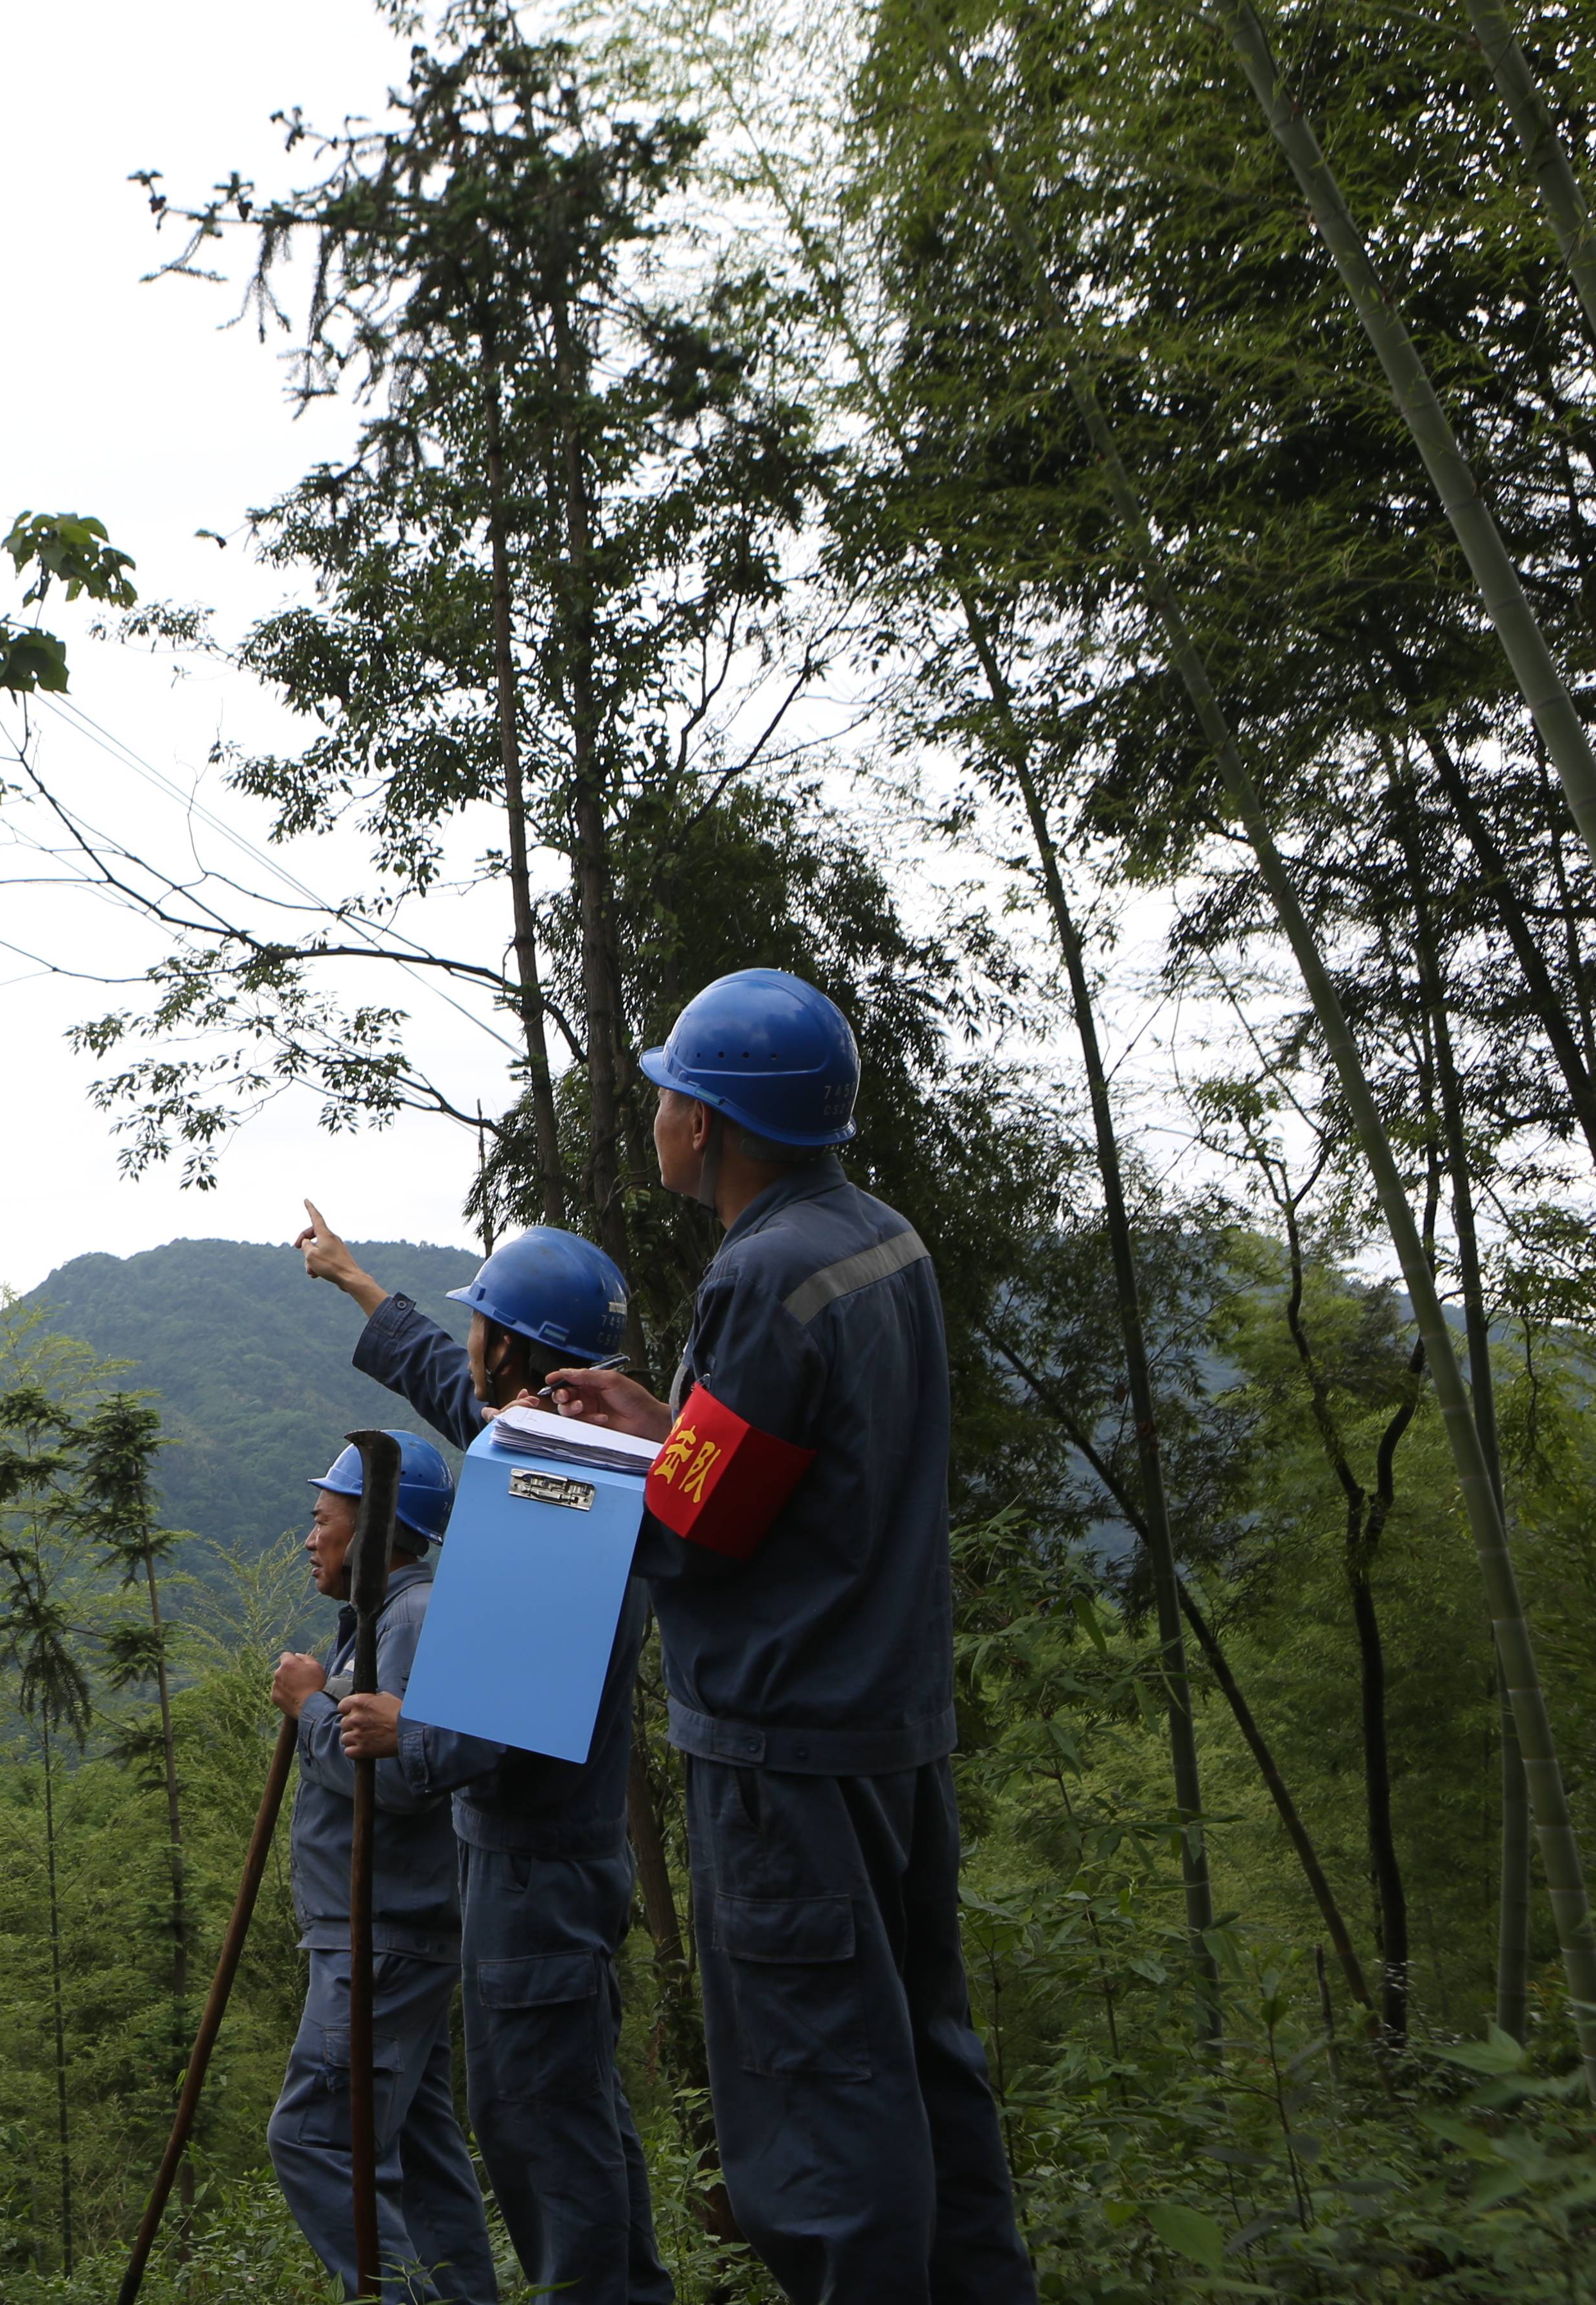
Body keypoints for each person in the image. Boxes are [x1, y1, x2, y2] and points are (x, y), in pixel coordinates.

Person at [542, 968, 1035, 2304]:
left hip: (785, 1753)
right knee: (928, 2070)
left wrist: (576, 1467)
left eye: (665, 1093)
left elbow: (696, 1538)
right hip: (891, 1732)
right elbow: (786, 1465)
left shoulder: (760, 1277)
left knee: (823, 2107)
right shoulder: (881, 1239)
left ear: (706, 1123)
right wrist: (664, 1426)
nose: (653, 1111)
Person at [301, 1215, 674, 2305]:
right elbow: (452, 1388)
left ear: (512, 1350)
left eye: (482, 1327)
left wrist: (384, 1728)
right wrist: (360, 1286)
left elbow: (487, 1727)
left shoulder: (551, 1491)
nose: (468, 1346)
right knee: (574, 2124)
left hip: (532, 1871)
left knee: (545, 2138)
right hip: (556, 1867)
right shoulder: (574, 1440)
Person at [265, 1433, 500, 2305]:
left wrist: (310, 1708)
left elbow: (400, 1774)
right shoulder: (385, 1619)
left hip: (383, 1936)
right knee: (423, 2157)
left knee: (315, 2138)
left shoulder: (412, 1618)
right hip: (387, 1931)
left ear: (374, 1529)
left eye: (322, 1520)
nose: (309, 1537)